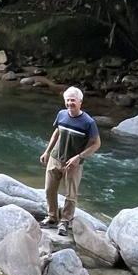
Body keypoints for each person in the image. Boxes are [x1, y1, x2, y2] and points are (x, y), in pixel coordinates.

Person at [39, 86, 101, 234]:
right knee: (49, 190)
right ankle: (52, 217)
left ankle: (65, 221)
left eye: (73, 100)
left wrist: (79, 157)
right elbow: (56, 133)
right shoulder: (61, 114)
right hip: (55, 158)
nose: (69, 103)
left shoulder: (88, 122)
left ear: (80, 102)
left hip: (73, 163)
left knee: (70, 195)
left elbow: (97, 144)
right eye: (67, 100)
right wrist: (47, 151)